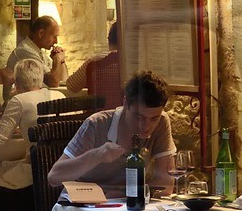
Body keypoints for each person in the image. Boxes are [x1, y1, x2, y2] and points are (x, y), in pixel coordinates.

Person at [48, 71, 176, 193]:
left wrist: (122, 195)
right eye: (138, 116)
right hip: (85, 207)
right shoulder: (96, 124)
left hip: (129, 206)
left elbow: (165, 183)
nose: (146, 126)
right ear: (125, 103)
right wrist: (97, 155)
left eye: (154, 118)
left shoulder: (162, 122)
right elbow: (54, 178)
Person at [0, 58, 63, 189]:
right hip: (62, 167)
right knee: (4, 167)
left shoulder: (19, 100)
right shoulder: (59, 95)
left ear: (17, 81)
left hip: (37, 171)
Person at [66, 22, 122, 109]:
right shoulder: (135, 63)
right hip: (128, 119)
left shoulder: (94, 62)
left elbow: (71, 86)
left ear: (108, 40)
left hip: (99, 119)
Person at [7, 15, 67, 93]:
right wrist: (57, 59)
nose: (56, 41)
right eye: (54, 37)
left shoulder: (39, 52)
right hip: (21, 102)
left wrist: (61, 61)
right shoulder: (25, 51)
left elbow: (64, 80)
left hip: (35, 100)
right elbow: (53, 82)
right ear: (41, 33)